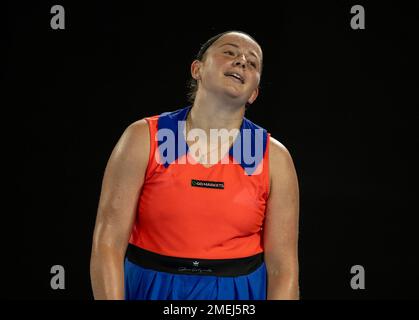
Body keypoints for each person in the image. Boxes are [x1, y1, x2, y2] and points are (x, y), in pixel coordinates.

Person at [90, 30, 300, 300]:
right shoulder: (144, 137)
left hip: (236, 295)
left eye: (253, 62)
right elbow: (107, 244)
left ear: (253, 94)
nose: (242, 61)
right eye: (230, 52)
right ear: (197, 69)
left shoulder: (274, 157)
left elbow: (283, 269)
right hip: (150, 288)